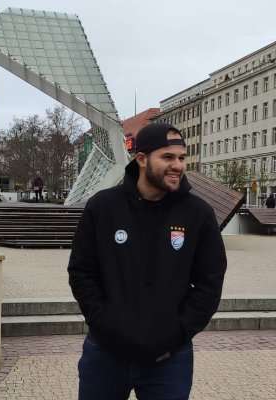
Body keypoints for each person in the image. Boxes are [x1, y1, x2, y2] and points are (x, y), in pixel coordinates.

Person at [68, 123, 227, 400]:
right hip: (106, 352)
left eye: (181, 157)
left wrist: (176, 330)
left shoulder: (198, 214)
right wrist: (105, 321)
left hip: (169, 358)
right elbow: (82, 272)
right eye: (167, 157)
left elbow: (210, 282)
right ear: (141, 159)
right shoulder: (103, 207)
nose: (177, 165)